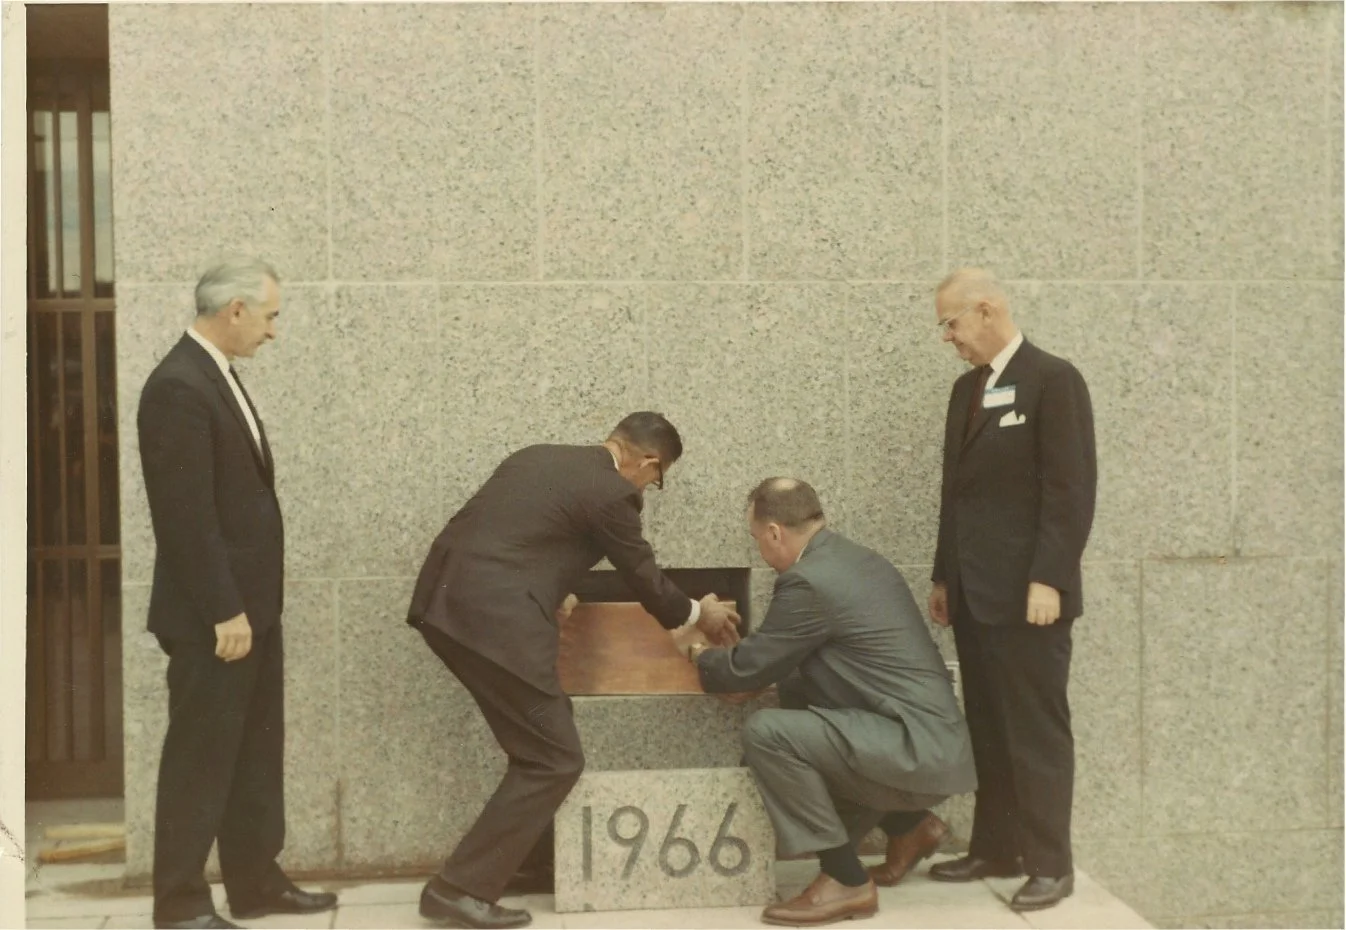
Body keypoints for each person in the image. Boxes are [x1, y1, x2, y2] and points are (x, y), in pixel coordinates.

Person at [406, 412, 742, 929]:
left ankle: (519, 864)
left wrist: (548, 585)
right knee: (554, 757)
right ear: (648, 461)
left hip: (444, 606)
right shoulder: (612, 493)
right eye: (658, 478)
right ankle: (458, 889)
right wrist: (698, 614)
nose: (651, 488)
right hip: (499, 624)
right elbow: (643, 576)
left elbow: (510, 534)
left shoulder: (535, 455)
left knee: (535, 745)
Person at [137, 258, 338, 929]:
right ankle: (181, 905)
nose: (274, 332)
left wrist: (251, 609)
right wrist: (225, 609)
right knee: (201, 757)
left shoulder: (214, 377)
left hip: (252, 612)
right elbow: (185, 516)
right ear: (235, 311)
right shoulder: (178, 386)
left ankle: (255, 884)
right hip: (215, 617)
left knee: (253, 750)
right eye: (271, 316)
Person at [689, 478, 976, 928]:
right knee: (802, 711)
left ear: (775, 533)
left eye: (756, 539)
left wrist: (693, 650)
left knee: (768, 734)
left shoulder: (807, 581)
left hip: (914, 749)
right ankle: (911, 827)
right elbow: (784, 661)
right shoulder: (856, 560)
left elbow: (748, 669)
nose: (759, 551)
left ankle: (846, 880)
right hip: (930, 745)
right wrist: (753, 662)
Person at [926, 268, 1096, 911]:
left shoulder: (1054, 380)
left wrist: (1049, 577)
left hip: (1030, 598)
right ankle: (996, 847)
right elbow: (956, 495)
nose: (948, 337)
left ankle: (1052, 863)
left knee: (1036, 730)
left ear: (988, 310)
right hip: (975, 595)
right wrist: (944, 575)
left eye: (951, 323)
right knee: (990, 724)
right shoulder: (966, 391)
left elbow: (1069, 491)